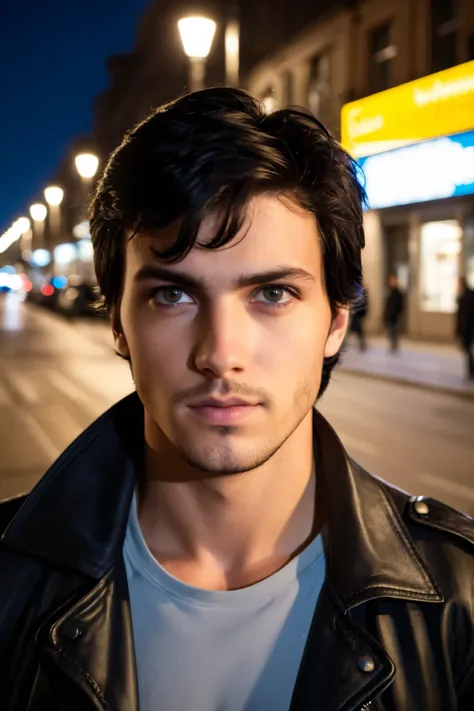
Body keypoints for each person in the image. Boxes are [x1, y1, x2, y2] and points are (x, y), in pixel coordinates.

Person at [1, 88, 474, 711]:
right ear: (117, 320)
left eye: (272, 294)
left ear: (336, 321)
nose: (221, 353)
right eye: (174, 296)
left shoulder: (459, 598)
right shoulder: (11, 580)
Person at [456, 275, 474, 380]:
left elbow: (464, 315)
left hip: (468, 327)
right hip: (466, 327)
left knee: (467, 348)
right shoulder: (462, 295)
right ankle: (470, 370)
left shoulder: (468, 295)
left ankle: (471, 370)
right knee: (467, 349)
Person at [383, 273, 404, 352]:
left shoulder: (398, 293)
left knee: (394, 331)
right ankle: (393, 345)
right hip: (389, 315)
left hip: (395, 316)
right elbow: (388, 304)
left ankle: (394, 345)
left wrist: (398, 314)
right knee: (390, 332)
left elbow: (400, 305)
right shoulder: (390, 292)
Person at [349, 285, 368, 351]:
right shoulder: (356, 291)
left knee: (358, 329)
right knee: (356, 329)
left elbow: (363, 304)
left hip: (359, 314)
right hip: (356, 314)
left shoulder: (362, 292)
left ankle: (362, 344)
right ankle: (361, 344)